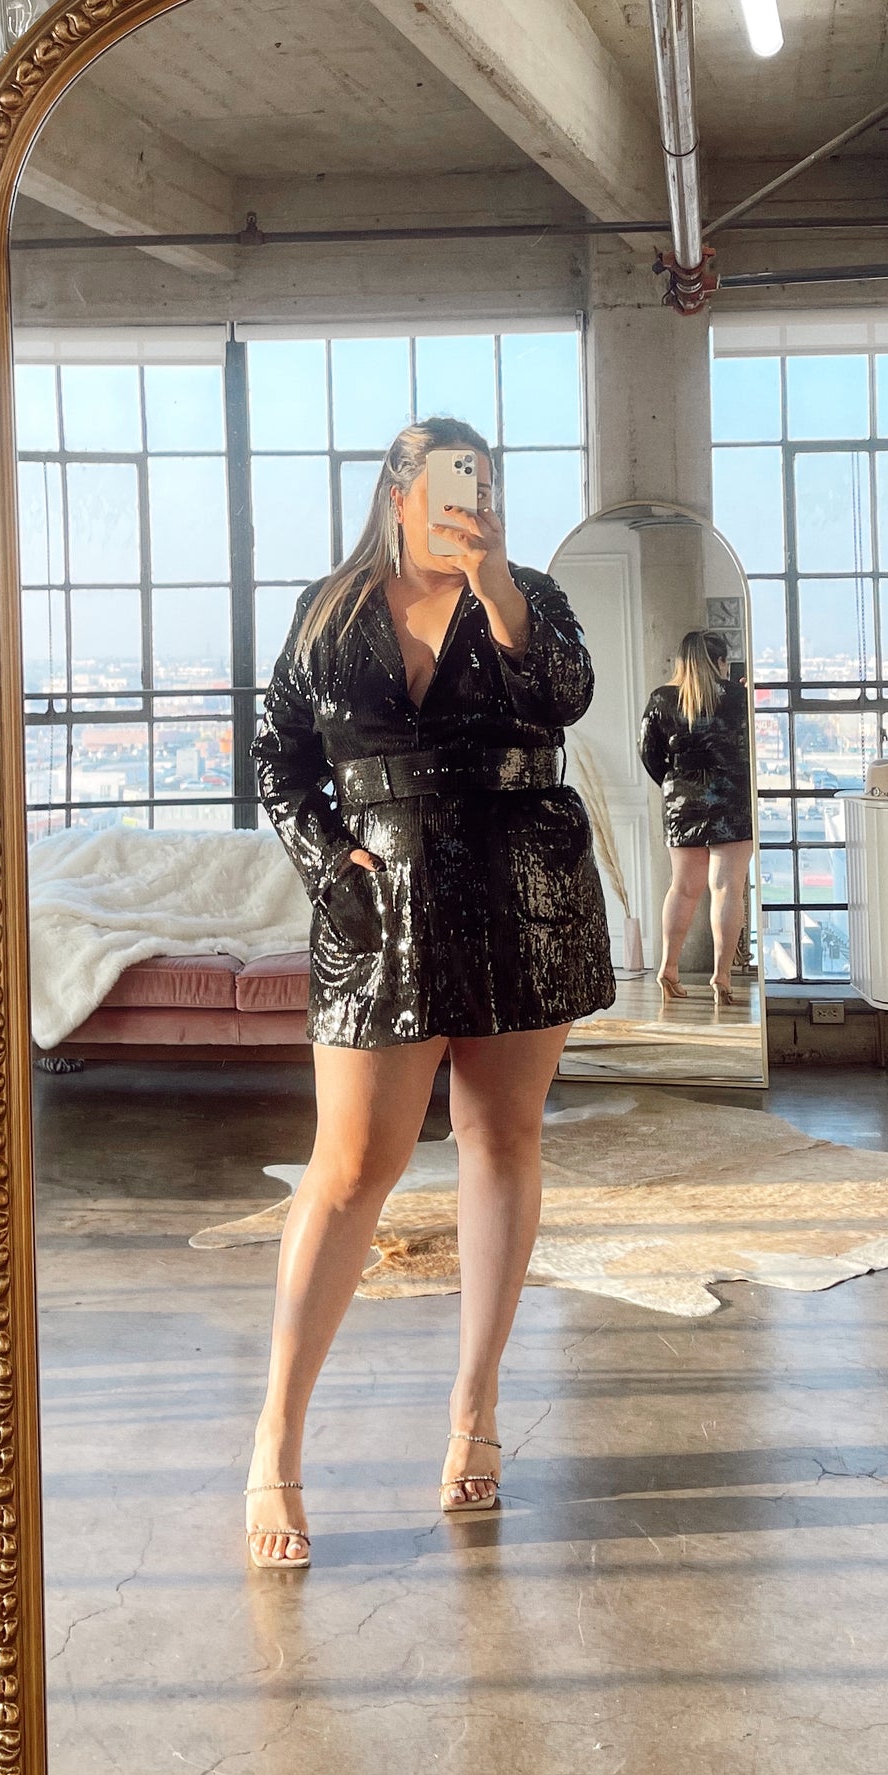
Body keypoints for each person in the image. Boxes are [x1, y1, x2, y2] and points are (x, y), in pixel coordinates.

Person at [244, 417, 614, 1569]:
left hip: (522, 886)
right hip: (379, 898)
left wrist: (497, 587)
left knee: (501, 1139)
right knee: (350, 1166)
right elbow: (276, 756)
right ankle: (275, 1438)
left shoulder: (528, 597)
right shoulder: (326, 612)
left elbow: (564, 697)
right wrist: (327, 864)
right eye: (454, 481)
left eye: (487, 483)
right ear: (399, 493)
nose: (472, 499)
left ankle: (474, 1408)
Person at [638, 628, 754, 1004]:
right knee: (727, 888)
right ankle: (722, 976)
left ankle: (668, 967)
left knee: (683, 888)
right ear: (721, 662)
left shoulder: (662, 698)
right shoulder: (738, 697)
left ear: (681, 662)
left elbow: (649, 753)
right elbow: (754, 744)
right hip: (733, 797)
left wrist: (677, 784)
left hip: (682, 800)